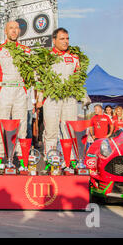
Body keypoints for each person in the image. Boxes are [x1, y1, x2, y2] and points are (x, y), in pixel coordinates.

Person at [36, 27, 90, 160]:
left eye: (67, 39)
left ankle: (69, 161)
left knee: (69, 130)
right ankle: (50, 161)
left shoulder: (74, 58)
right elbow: (39, 80)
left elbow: (79, 80)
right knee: (51, 131)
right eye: (62, 39)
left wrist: (84, 96)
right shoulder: (46, 57)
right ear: (54, 40)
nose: (65, 42)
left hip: (69, 99)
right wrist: (39, 98)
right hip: (51, 99)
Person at [0, 21, 31, 173]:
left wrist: (30, 95)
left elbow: (32, 75)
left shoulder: (26, 51)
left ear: (20, 31)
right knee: (0, 127)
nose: (14, 31)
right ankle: (0, 159)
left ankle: (21, 160)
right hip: (4, 90)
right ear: (5, 31)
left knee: (22, 127)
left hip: (20, 90)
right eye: (11, 28)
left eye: (16, 28)